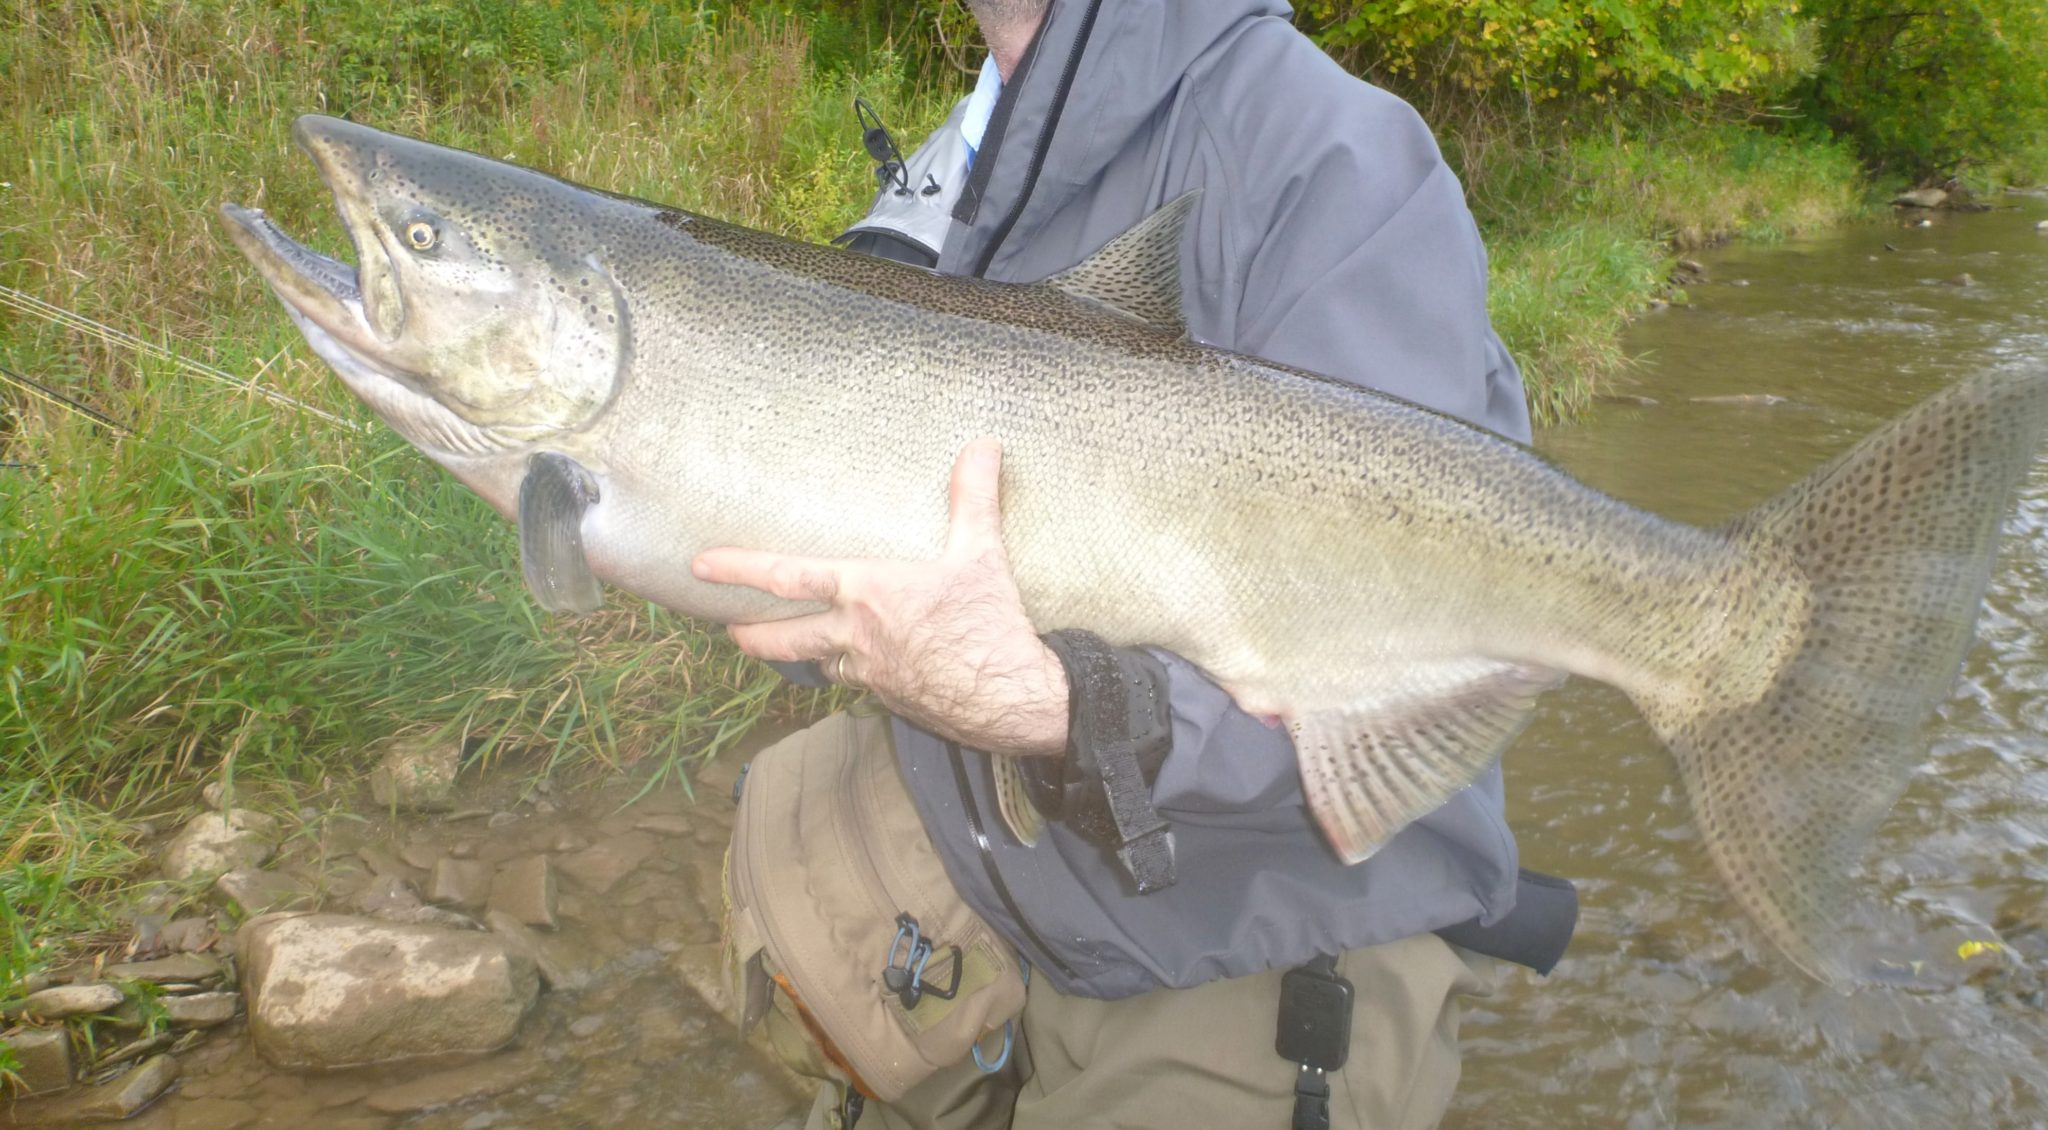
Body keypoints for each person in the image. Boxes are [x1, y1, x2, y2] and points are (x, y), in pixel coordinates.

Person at [696, 2, 1567, 1126]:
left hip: (1254, 939)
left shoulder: (1330, 156)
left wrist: (1072, 707)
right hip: (986, 887)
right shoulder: (949, 166)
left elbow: (1426, 636)